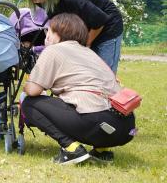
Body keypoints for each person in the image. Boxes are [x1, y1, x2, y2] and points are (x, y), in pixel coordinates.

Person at [21, 13, 136, 165]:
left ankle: (72, 150)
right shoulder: (89, 53)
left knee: (29, 103)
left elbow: (33, 90)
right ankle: (102, 151)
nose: (46, 36)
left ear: (57, 33)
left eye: (48, 31)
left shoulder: (54, 50)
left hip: (97, 123)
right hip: (126, 127)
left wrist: (27, 85)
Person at [25, 0, 123, 72]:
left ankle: (108, 86)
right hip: (90, 26)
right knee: (88, 69)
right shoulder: (46, 3)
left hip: (109, 26)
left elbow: (99, 20)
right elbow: (55, 23)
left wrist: (87, 44)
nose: (34, 1)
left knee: (105, 70)